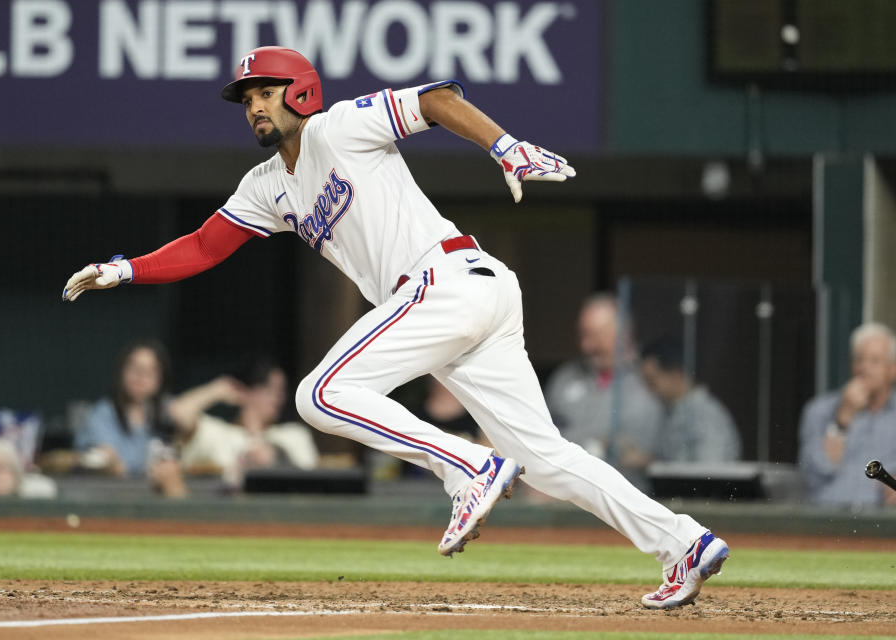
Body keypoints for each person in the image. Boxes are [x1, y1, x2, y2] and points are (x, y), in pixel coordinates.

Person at [61, 46, 728, 608]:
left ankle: (465, 467)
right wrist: (123, 270)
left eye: (264, 92)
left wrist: (504, 146)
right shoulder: (268, 185)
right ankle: (685, 542)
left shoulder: (337, 127)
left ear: (300, 92)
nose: (254, 107)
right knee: (546, 463)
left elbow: (437, 97)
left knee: (317, 395)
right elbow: (205, 246)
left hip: (447, 282)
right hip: (463, 299)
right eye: (246, 99)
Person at [543, 294, 662, 488]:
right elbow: (543, 437)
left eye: (596, 336)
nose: (586, 346)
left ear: (624, 334)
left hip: (625, 497)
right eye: (582, 335)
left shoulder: (649, 380)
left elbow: (648, 455)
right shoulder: (565, 377)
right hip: (561, 494)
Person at [168, 358, 319, 489]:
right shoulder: (217, 434)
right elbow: (178, 413)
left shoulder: (294, 435)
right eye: (268, 387)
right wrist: (218, 389)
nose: (278, 397)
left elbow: (310, 482)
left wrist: (272, 457)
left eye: (281, 390)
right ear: (245, 389)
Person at [798, 322, 896, 508]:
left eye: (875, 361)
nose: (864, 368)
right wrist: (844, 416)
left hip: (882, 526)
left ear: (893, 369)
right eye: (859, 360)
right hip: (826, 522)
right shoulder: (820, 410)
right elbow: (814, 475)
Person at [74, 340, 186, 498]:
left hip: (156, 499)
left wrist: (216, 389)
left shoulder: (164, 408)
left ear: (160, 378)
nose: (140, 376)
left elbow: (186, 414)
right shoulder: (102, 413)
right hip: (109, 498)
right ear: (121, 372)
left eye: (149, 371)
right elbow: (119, 469)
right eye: (134, 368)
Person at [639, 336, 742, 463]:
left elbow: (708, 469)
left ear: (676, 374)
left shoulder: (704, 413)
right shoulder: (673, 411)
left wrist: (651, 462)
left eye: (652, 381)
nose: (649, 389)